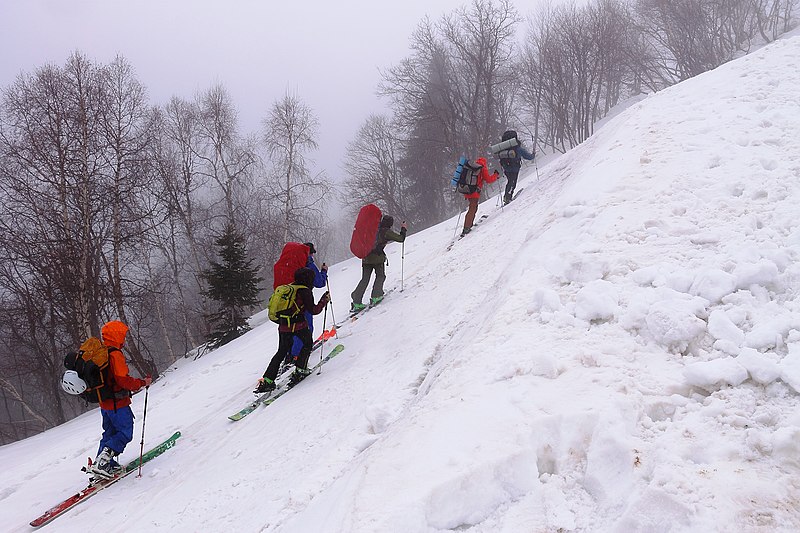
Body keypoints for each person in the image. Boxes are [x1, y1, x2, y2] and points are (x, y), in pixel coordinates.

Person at [90, 320, 151, 478]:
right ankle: (103, 462)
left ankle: (101, 465)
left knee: (109, 433)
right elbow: (122, 379)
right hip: (118, 403)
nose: (124, 338)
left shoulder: (101, 352)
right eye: (122, 335)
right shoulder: (115, 354)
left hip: (105, 403)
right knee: (125, 433)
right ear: (117, 336)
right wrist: (142, 383)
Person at [256, 267, 330, 392]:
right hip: (298, 324)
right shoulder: (304, 291)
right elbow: (314, 310)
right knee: (307, 344)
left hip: (283, 325)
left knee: (281, 351)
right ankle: (300, 370)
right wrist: (324, 301)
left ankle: (267, 380)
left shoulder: (289, 288)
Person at [350, 215, 407, 311]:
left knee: (365, 279)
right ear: (390, 224)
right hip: (377, 258)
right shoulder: (385, 231)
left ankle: (356, 301)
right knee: (380, 276)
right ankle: (376, 296)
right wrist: (403, 228)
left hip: (366, 257)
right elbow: (401, 238)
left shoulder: (373, 228)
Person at [286, 242, 328, 364]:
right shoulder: (308, 264)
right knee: (305, 326)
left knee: (291, 326)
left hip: (288, 299)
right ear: (308, 252)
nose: (312, 255)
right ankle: (297, 354)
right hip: (303, 298)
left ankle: (290, 352)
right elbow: (319, 282)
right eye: (311, 253)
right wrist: (324, 272)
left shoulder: (292, 262)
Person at [461, 157, 499, 236]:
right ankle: (466, 228)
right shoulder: (482, 168)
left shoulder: (472, 166)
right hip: (474, 192)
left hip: (467, 190)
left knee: (473, 207)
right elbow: (488, 180)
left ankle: (468, 225)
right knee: (472, 208)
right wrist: (496, 175)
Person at [498, 130, 534, 204]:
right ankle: (508, 197)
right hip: (514, 168)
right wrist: (533, 155)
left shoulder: (503, 148)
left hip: (505, 167)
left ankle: (507, 196)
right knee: (512, 182)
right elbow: (527, 156)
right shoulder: (517, 148)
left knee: (510, 181)